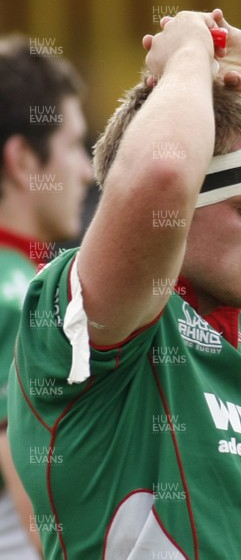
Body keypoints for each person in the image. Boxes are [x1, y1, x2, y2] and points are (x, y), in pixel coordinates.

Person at [7, 9, 241, 559]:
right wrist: (185, 53)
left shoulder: (239, 318)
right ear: (179, 215)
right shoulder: (87, 306)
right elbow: (162, 175)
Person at [0, 35, 93, 559]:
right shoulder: (21, 299)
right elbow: (41, 519)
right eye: (75, 144)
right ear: (22, 159)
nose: (89, 170)